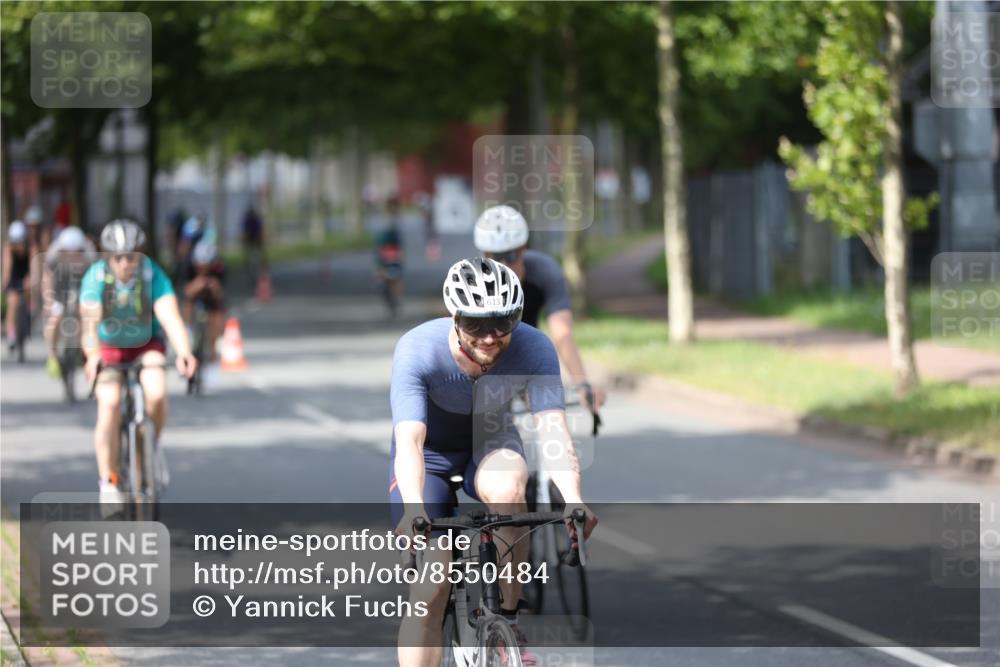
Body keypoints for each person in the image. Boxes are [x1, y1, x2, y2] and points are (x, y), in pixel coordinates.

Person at [390, 257, 597, 667]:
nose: (489, 337)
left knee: (508, 490)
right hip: (430, 455)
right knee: (431, 588)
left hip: (491, 441)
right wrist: (414, 507)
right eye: (475, 325)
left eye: (503, 323)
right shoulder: (418, 349)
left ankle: (507, 618)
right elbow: (410, 439)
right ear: (454, 317)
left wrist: (573, 496)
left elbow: (552, 428)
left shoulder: (534, 347)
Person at [80, 219, 197, 503]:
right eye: (117, 258)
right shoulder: (95, 278)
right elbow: (89, 323)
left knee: (156, 392)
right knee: (108, 404)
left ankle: (150, 443)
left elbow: (169, 316)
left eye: (130, 257)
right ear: (107, 257)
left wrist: (184, 352)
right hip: (108, 347)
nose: (124, 264)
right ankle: (108, 481)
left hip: (146, 344)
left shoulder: (151, 275)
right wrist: (93, 355)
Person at [474, 205, 606, 412]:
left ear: (523, 248)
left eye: (510, 256)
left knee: (544, 405)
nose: (504, 265)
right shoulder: (471, 278)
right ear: (484, 254)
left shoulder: (545, 270)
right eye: (496, 258)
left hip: (527, 351)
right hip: (487, 355)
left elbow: (562, 333)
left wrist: (582, 383)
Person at [42, 226, 97, 377]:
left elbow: (95, 281)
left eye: (77, 252)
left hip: (81, 285)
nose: (73, 256)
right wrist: (49, 301)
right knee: (55, 319)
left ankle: (80, 348)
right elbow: (48, 278)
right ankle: (52, 356)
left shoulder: (90, 255)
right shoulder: (53, 254)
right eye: (68, 252)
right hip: (60, 286)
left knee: (82, 314)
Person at [182, 239, 226, 369]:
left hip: (212, 298)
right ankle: (188, 330)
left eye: (205, 266)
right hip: (194, 297)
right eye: (199, 266)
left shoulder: (219, 269)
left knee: (216, 312)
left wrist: (213, 286)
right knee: (188, 303)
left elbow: (221, 293)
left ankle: (214, 347)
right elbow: (186, 291)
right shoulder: (189, 267)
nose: (202, 269)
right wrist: (197, 285)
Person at [3, 221, 32, 355]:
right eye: (16, 242)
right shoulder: (8, 248)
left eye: (21, 242)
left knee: (29, 290)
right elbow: (7, 268)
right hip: (14, 274)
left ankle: (29, 314)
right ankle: (11, 334)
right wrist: (6, 282)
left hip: (26, 273)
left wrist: (30, 279)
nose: (19, 245)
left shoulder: (31, 247)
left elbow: (34, 266)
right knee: (12, 302)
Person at [374, 196, 404, 317]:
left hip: (393, 252)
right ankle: (392, 299)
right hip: (385, 252)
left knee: (395, 279)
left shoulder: (396, 220)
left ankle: (395, 300)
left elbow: (398, 243)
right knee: (386, 278)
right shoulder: (384, 219)